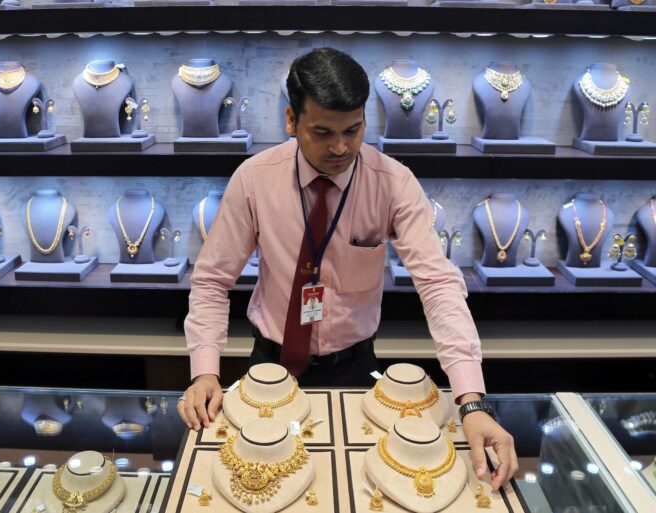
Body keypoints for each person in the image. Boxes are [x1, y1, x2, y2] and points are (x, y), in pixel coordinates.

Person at [177, 47, 518, 491]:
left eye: (353, 130)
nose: (340, 147)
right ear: (291, 120)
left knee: (360, 488)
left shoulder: (393, 183)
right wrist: (205, 370)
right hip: (268, 365)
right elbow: (211, 280)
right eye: (322, 132)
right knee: (261, 484)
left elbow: (437, 284)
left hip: (356, 369)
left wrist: (471, 401)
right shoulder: (254, 179)